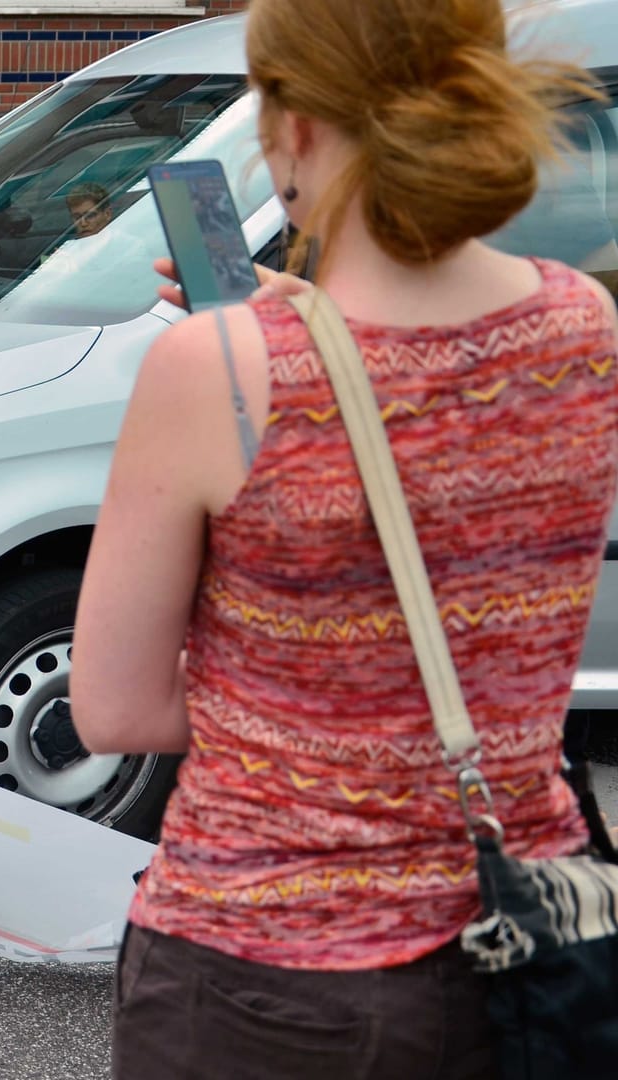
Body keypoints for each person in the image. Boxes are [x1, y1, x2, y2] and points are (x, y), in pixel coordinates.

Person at [68, 1, 618, 1074]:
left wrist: (305, 704)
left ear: (298, 128)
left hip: (263, 976)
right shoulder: (583, 328)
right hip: (519, 949)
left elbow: (115, 705)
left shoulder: (217, 370)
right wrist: (301, 318)